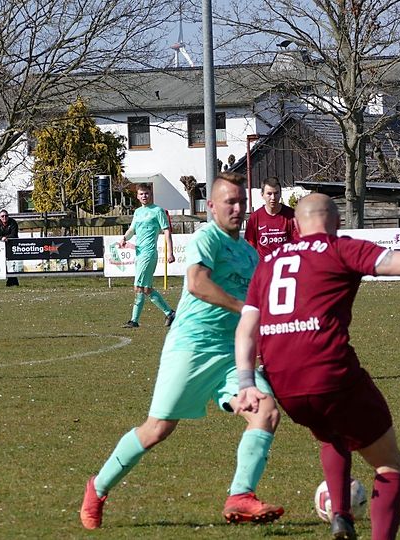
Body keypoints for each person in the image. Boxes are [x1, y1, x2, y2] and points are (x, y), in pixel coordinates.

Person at [235, 193, 400, 540]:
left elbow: (246, 328)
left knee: (333, 433)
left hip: (284, 383)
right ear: (337, 222)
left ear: (296, 226)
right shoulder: (339, 248)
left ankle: (341, 515)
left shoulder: (269, 263)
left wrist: (246, 381)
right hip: (329, 371)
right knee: (388, 463)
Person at [80, 172, 284, 529]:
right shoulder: (208, 237)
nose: (237, 208)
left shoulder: (249, 254)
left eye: (241, 202)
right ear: (212, 207)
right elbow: (197, 283)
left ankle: (240, 496)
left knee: (265, 412)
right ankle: (97, 488)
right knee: (157, 429)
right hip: (191, 347)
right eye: (230, 202)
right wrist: (244, 309)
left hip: (232, 355)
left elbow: (260, 307)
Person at [119, 183, 176, 328]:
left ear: (150, 194)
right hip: (139, 254)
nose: (144, 196)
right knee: (146, 288)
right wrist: (124, 237)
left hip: (149, 253)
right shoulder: (138, 212)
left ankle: (134, 320)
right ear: (137, 196)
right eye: (141, 194)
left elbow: (167, 231)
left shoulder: (158, 211)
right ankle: (169, 313)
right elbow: (132, 230)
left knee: (138, 286)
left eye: (146, 193)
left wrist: (170, 252)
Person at [244, 176, 297, 260]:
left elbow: (298, 243)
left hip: (285, 264)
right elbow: (250, 246)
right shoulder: (255, 217)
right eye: (269, 194)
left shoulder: (291, 215)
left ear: (280, 194)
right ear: (262, 195)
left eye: (276, 193)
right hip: (263, 265)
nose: (273, 197)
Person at [0, 210, 19, 287]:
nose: (4, 217)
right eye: (2, 216)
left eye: (6, 216)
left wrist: (6, 238)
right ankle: (10, 281)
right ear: (0, 217)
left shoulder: (13, 223)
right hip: (1, 247)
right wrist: (1, 238)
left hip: (12, 245)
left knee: (12, 264)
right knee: (4, 264)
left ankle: (13, 281)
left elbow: (14, 234)